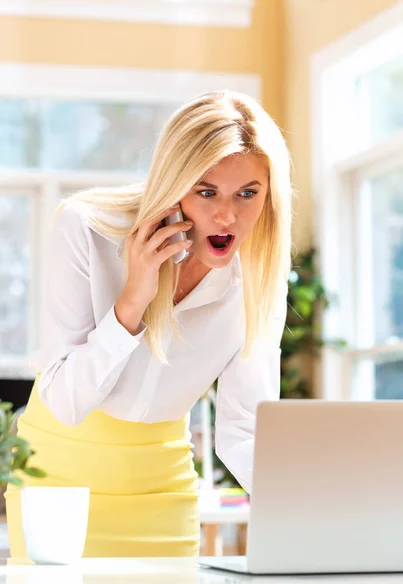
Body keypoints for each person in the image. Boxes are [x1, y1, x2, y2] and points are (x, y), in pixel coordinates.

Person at [5, 90, 292, 558]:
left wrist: (307, 509)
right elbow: (63, 403)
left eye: (247, 194)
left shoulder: (258, 280)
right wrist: (133, 301)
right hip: (58, 485)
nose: (227, 216)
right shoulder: (87, 230)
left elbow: (245, 429)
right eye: (206, 191)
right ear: (173, 183)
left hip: (162, 488)